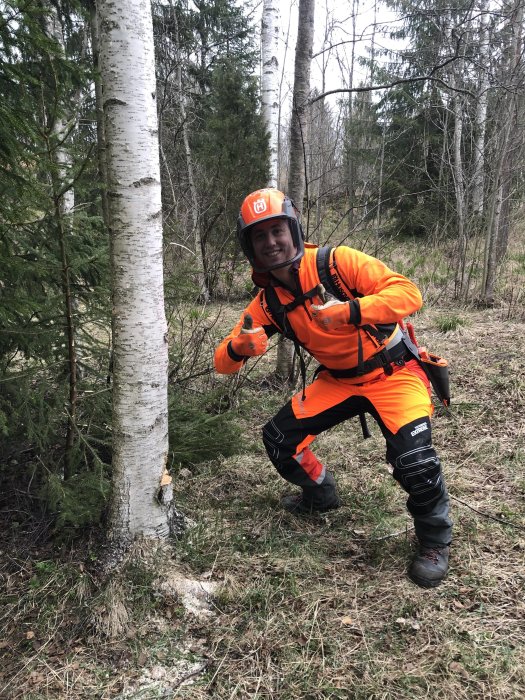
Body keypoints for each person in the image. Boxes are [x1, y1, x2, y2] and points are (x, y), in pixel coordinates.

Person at [214, 188, 452, 588]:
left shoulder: (335, 263)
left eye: (277, 230)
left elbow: (408, 294)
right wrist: (239, 347)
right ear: (249, 246)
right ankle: (320, 493)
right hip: (339, 382)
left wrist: (351, 310)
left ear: (293, 229)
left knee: (414, 462)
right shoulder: (267, 301)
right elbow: (222, 362)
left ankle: (434, 543)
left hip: (394, 374)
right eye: (260, 236)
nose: (271, 242)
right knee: (278, 439)